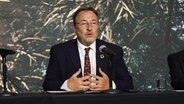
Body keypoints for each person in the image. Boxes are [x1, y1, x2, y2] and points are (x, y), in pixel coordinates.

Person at [42, 7, 134, 91]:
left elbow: (128, 83)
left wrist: (109, 84)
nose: (89, 28)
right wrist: (67, 85)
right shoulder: (59, 51)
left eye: (94, 23)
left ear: (98, 26)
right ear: (74, 28)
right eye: (83, 23)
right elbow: (48, 84)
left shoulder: (112, 51)